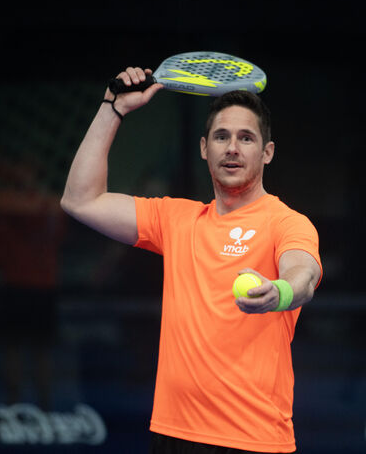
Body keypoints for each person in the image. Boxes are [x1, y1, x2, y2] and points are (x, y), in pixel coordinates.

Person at [60, 66, 322, 453]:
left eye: (246, 138)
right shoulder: (176, 219)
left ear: (267, 152)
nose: (232, 148)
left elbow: (304, 274)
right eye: (221, 136)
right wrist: (112, 109)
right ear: (204, 148)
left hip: (251, 440)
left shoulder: (287, 222)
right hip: (172, 435)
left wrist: (279, 292)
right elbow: (80, 200)